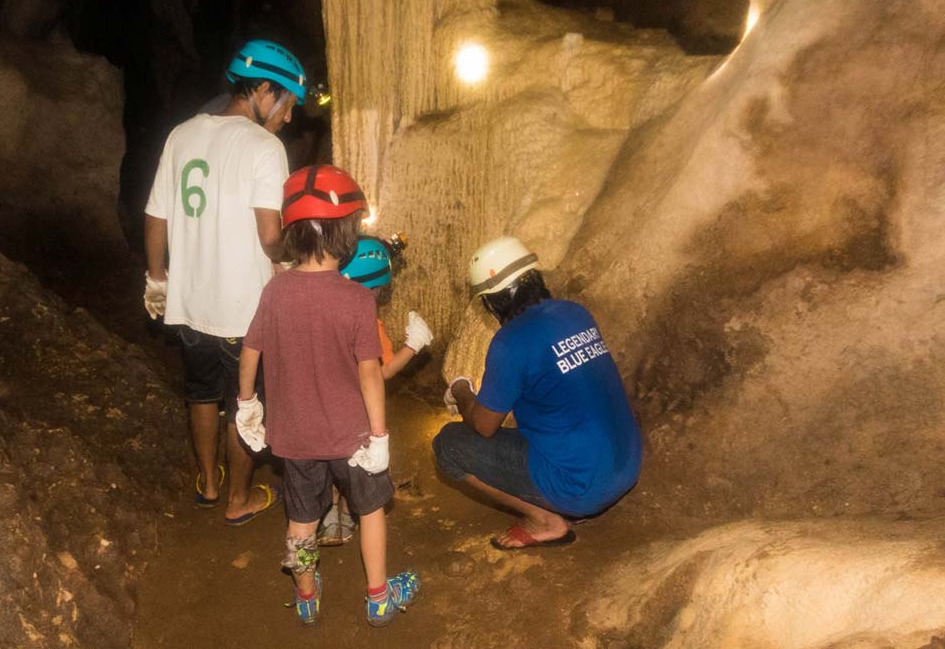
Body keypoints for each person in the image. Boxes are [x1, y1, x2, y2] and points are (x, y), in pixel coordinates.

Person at [234, 166, 421, 627]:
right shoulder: (356, 299)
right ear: (345, 232)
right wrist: (379, 436)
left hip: (294, 436)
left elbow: (251, 348)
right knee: (371, 508)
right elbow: (370, 376)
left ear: (293, 233)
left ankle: (306, 596)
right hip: (351, 438)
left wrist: (246, 404)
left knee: (301, 518)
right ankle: (378, 597)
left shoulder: (275, 290)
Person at [143, 39, 306, 525]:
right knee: (243, 402)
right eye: (287, 104)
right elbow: (270, 237)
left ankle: (210, 485)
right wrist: (296, 257)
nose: (289, 118)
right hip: (243, 310)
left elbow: (155, 217)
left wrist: (156, 278)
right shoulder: (264, 147)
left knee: (200, 392)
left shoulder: (181, 135)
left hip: (191, 304)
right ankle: (239, 498)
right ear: (262, 90)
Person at [434, 236, 641, 550]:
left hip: (583, 485)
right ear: (535, 277)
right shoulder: (575, 312)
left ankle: (546, 520)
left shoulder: (510, 342)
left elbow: (483, 426)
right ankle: (567, 500)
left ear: (491, 302)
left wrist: (461, 390)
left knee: (448, 445)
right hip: (627, 466)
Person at [318, 236, 434, 546]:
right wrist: (413, 346)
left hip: (320, 405)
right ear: (377, 288)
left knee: (328, 461)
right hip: (356, 411)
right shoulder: (368, 321)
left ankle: (330, 515)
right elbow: (380, 372)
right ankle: (347, 511)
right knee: (353, 465)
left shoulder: (320, 308)